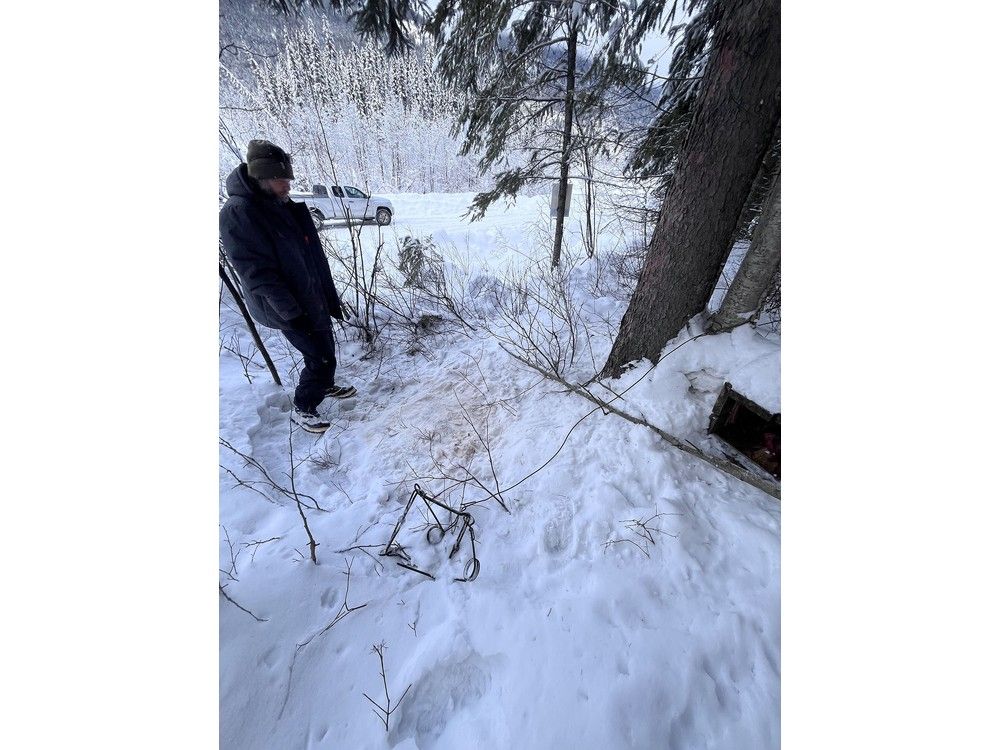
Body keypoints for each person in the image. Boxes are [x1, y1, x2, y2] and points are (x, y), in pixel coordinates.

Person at [220, 139, 356, 434]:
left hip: (309, 293)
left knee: (326, 345)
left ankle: (326, 384)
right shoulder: (239, 211)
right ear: (261, 178)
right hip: (286, 303)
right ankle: (304, 407)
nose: (288, 184)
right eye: (281, 179)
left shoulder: (277, 203)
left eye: (288, 177)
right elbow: (255, 271)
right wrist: (289, 310)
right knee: (318, 356)